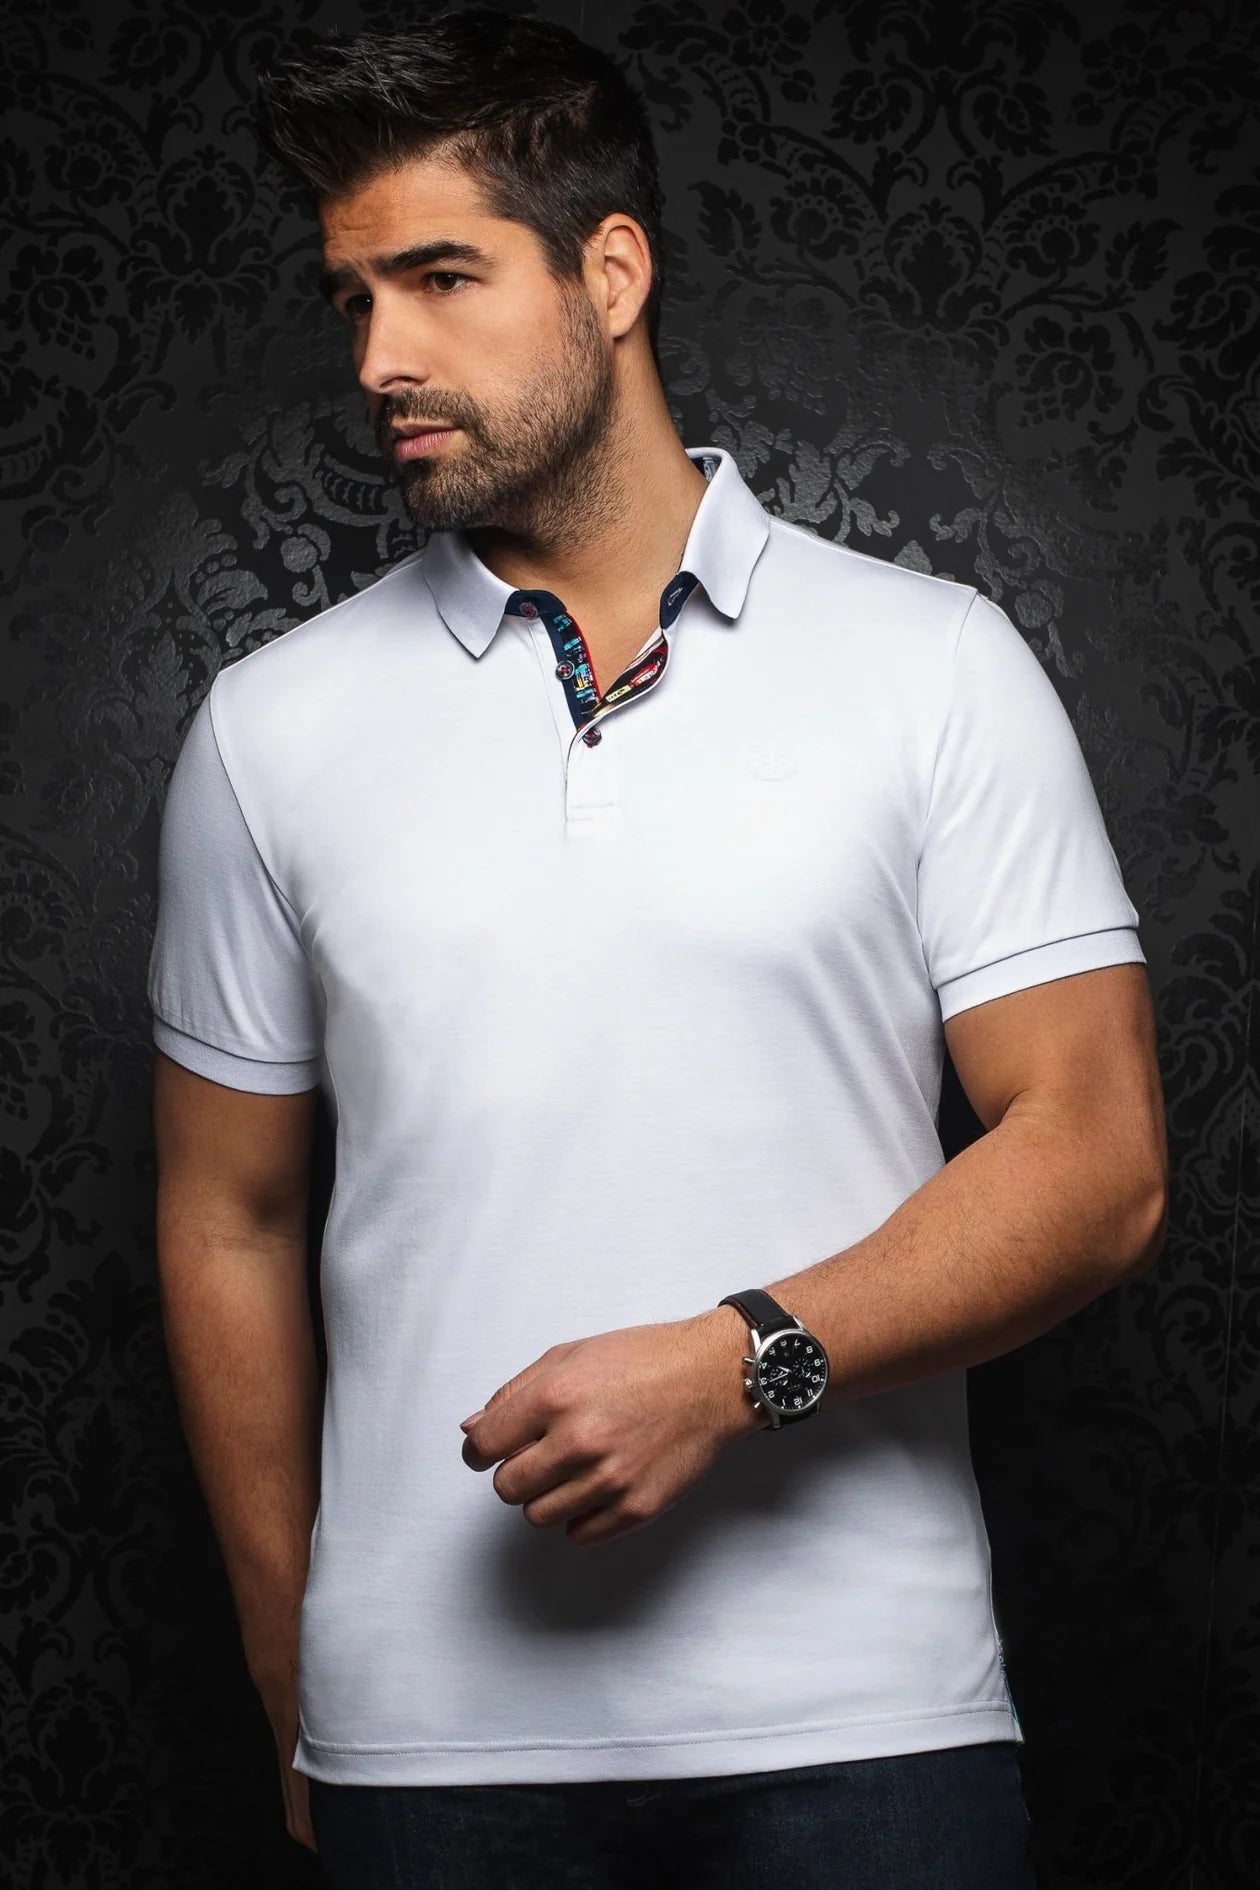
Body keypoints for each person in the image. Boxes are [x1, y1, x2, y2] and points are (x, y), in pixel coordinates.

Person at [147, 12, 1168, 1889]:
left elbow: (1097, 1158)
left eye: (441, 279)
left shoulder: (934, 665)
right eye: (353, 297)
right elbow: (229, 1217)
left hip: (866, 1731)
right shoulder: (267, 728)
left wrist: (731, 1363)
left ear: (610, 274)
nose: (379, 357)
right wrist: (298, 1682)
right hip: (426, 1757)